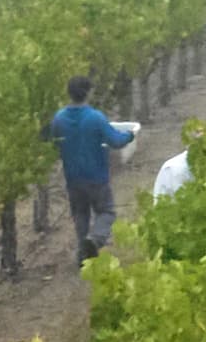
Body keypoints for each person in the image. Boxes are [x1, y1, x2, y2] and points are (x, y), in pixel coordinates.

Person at [46, 77, 138, 262]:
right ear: (88, 92)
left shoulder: (60, 118)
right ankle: (95, 241)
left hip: (73, 178)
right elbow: (116, 141)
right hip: (96, 176)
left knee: (81, 214)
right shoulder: (95, 117)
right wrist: (130, 135)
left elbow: (53, 141)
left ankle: (83, 255)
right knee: (106, 212)